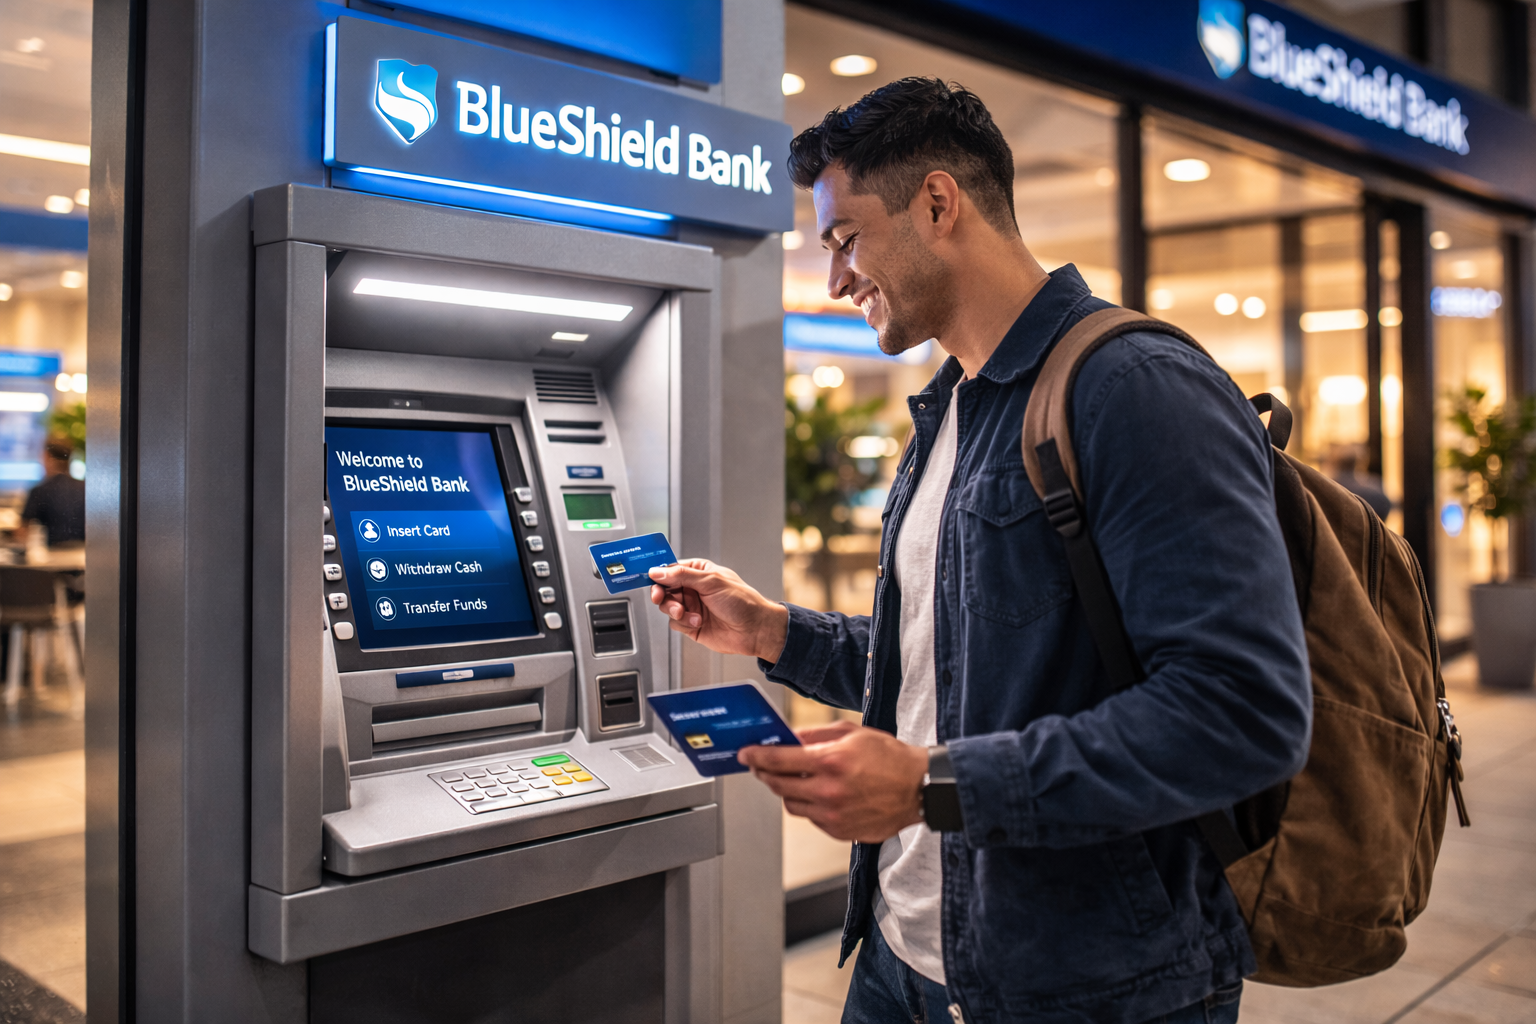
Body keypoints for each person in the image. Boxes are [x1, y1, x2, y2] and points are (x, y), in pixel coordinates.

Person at [650, 78, 1311, 1024]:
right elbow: (951, 670)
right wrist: (774, 632)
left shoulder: (1136, 388)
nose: (835, 278)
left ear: (936, 203)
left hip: (1088, 986)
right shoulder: (951, 411)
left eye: (844, 239)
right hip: (903, 957)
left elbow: (1243, 712)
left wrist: (932, 785)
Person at [21, 437, 84, 547]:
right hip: (86, 555)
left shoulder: (40, 491)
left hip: (54, 557)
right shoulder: (86, 488)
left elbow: (22, 531)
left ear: (48, 457)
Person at [1325, 442, 1392, 520]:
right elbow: (1386, 506)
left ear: (1335, 462)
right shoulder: (1374, 487)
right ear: (1359, 462)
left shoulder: (1327, 487)